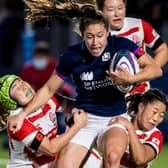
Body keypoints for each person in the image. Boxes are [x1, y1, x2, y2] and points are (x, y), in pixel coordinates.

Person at [8, 2, 162, 167]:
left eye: (100, 35)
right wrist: (22, 115)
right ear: (82, 35)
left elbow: (155, 69)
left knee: (112, 157)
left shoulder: (121, 44)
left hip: (114, 118)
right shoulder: (72, 56)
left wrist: (130, 80)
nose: (95, 42)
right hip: (85, 119)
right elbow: (48, 89)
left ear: (108, 32)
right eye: (89, 36)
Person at [0, 74, 88, 167]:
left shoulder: (47, 99)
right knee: (70, 151)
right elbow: (51, 149)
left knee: (89, 155)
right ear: (9, 101)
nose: (23, 87)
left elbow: (74, 106)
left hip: (46, 164)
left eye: (21, 82)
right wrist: (76, 126)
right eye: (15, 87)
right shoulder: (18, 122)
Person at [96, 0, 168, 95]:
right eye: (111, 9)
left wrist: (142, 75)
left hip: (142, 95)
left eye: (120, 8)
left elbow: (163, 50)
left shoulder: (139, 25)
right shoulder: (95, 35)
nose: (117, 14)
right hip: (111, 100)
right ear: (101, 12)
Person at [97, 88, 168, 168]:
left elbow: (140, 160)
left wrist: (130, 128)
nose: (155, 118)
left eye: (161, 115)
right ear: (141, 107)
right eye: (154, 112)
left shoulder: (155, 135)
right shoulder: (119, 120)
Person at [21, 40, 76, 134]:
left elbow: (65, 87)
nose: (41, 56)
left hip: (56, 101)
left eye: (43, 54)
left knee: (60, 126)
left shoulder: (55, 66)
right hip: (34, 103)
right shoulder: (28, 69)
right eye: (39, 54)